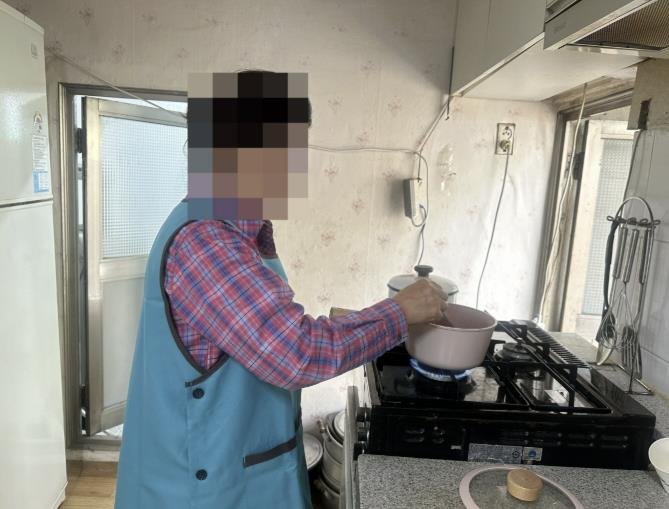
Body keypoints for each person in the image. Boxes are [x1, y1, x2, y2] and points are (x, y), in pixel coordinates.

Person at [114, 71, 448, 509]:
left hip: (233, 466)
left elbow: (261, 329)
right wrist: (398, 313)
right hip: (204, 490)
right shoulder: (207, 242)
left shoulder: (236, 229)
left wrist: (349, 322)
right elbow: (295, 353)